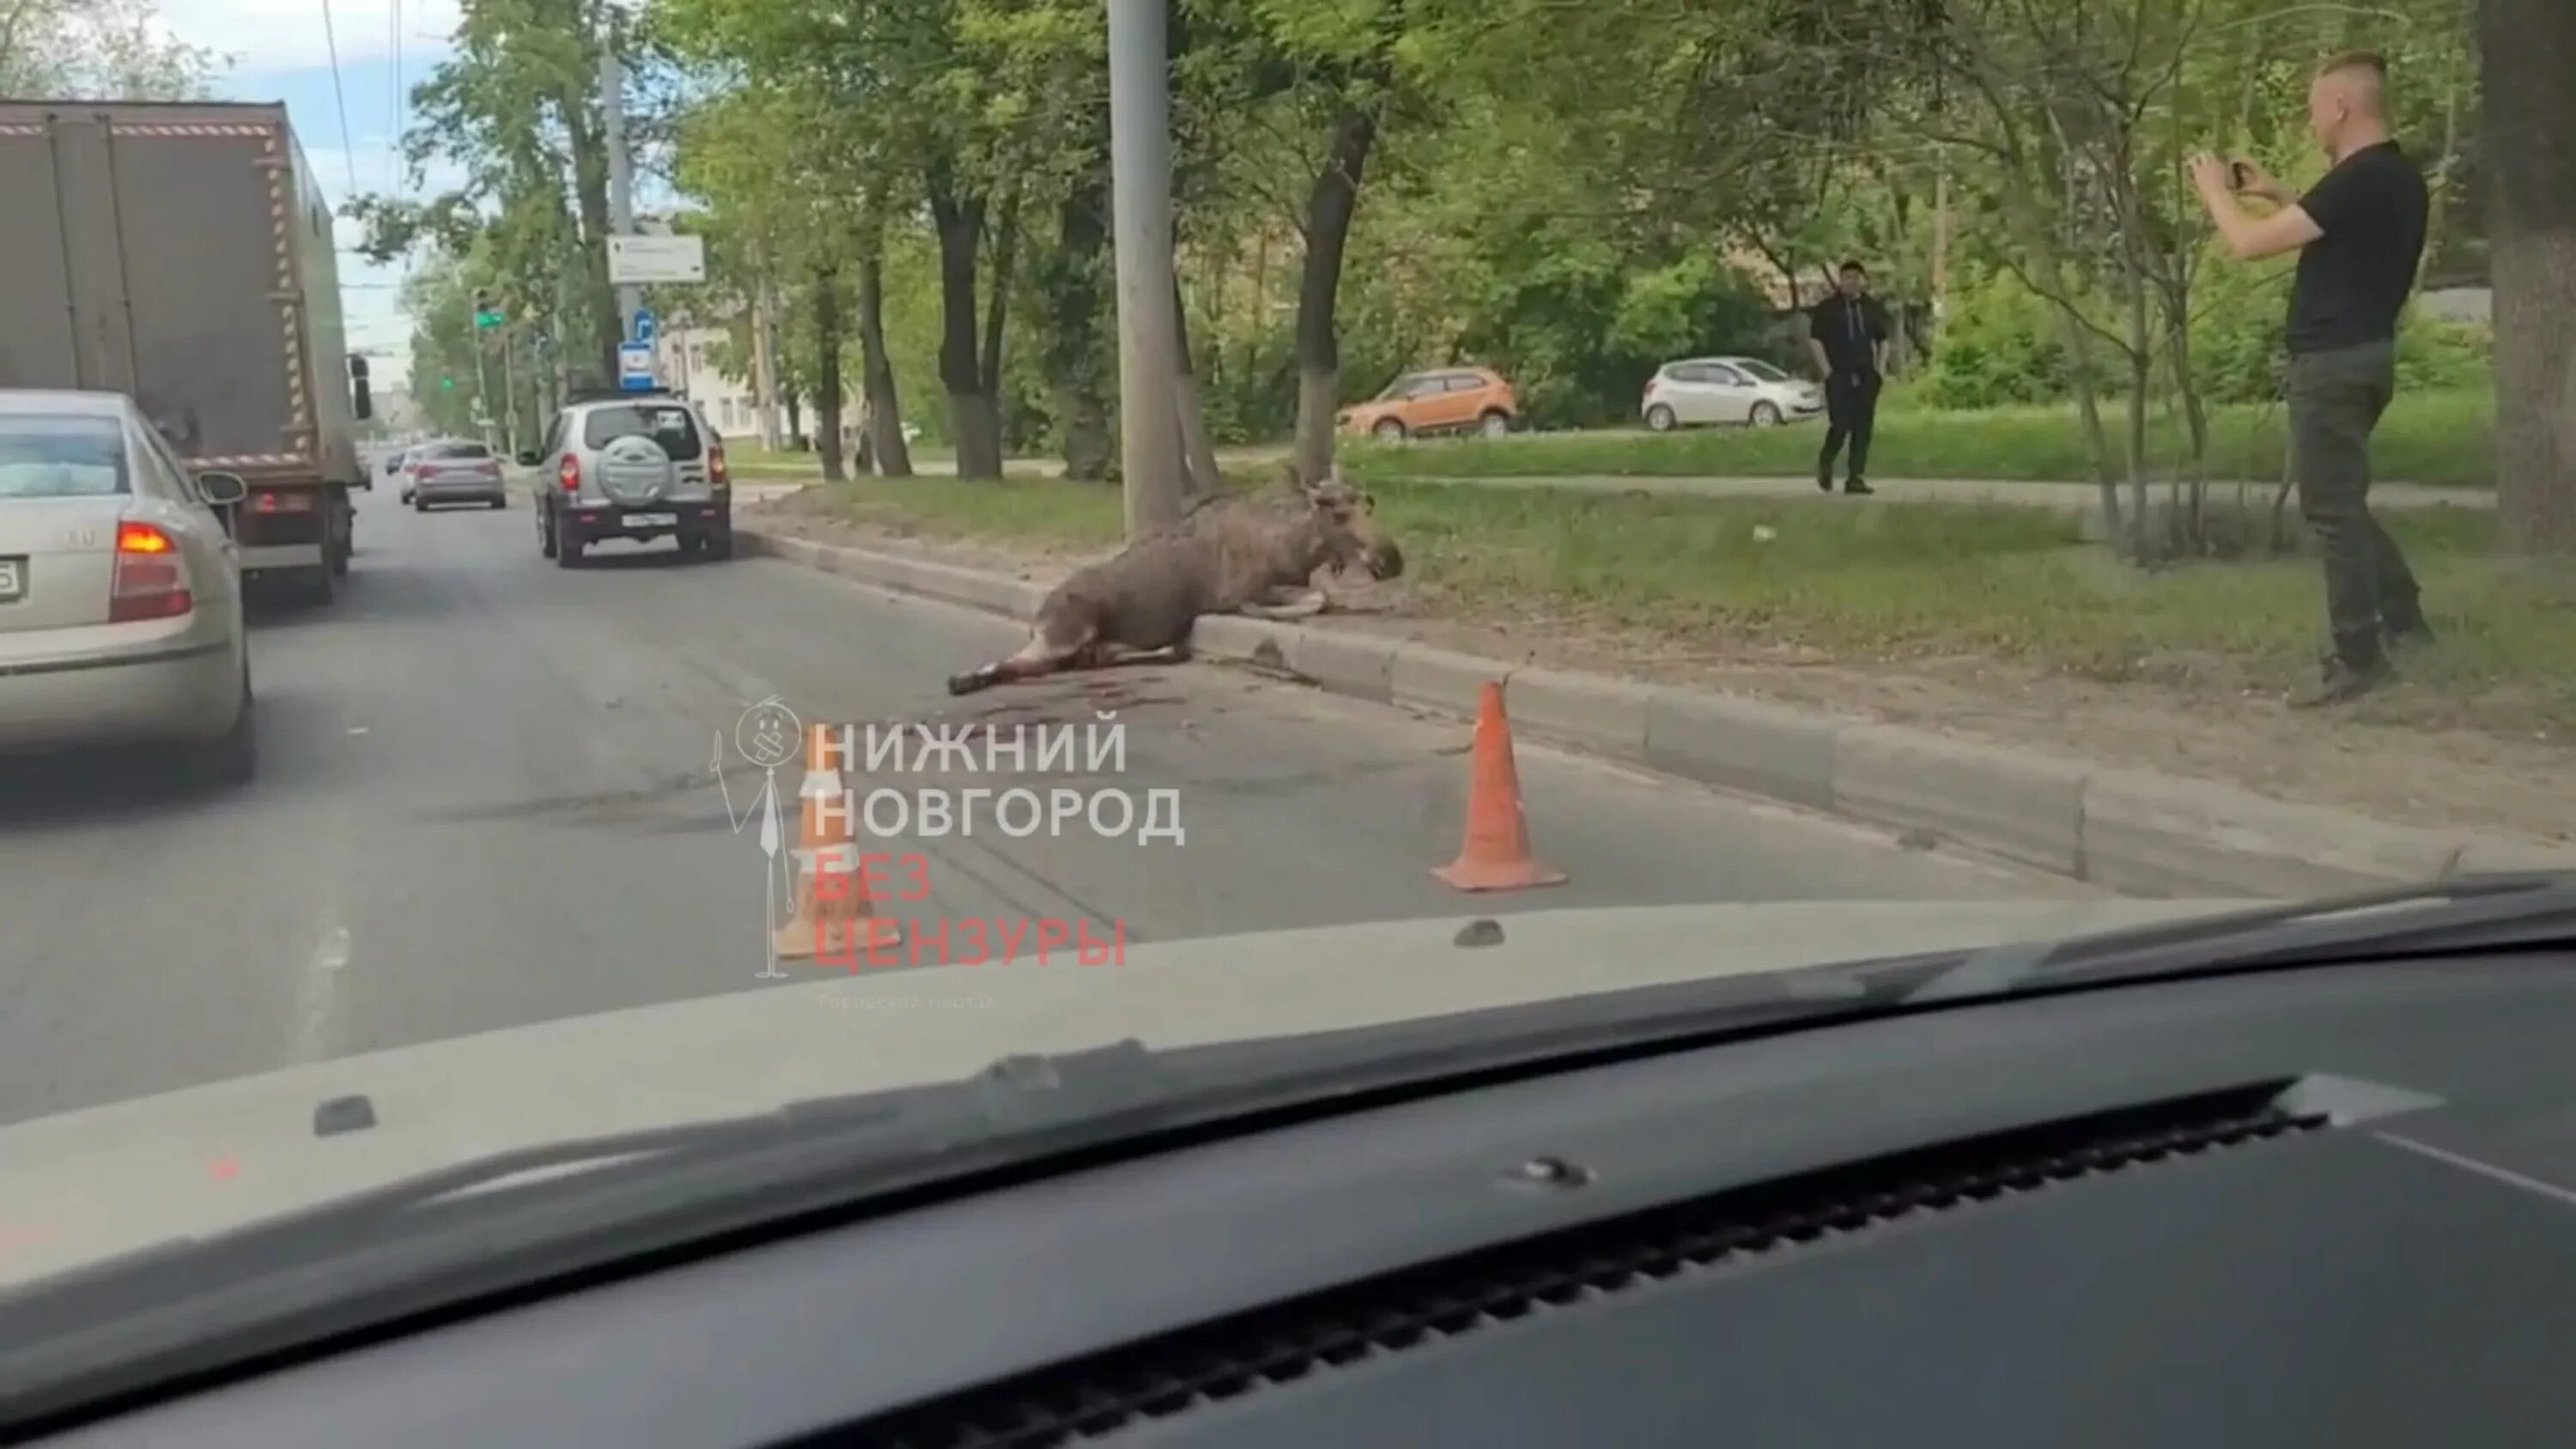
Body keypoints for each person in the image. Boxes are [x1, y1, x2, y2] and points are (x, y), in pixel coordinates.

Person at [2190, 51, 2432, 706]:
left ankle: (2360, 655)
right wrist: (2274, 193)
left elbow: (2247, 245)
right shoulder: (2395, 177)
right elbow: (2336, 234)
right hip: (2368, 356)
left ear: (2341, 107)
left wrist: (2214, 191)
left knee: (2328, 510)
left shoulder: (2358, 179)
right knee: (2342, 498)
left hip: (2332, 362)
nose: (2311, 122)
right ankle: (2405, 616)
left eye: (2313, 108)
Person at [1807, 260, 1891, 497]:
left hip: (1866, 374)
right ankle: (1826, 461)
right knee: (1841, 423)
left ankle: (1855, 477)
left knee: (1862, 428)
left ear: (1862, 280)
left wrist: (1879, 370)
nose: (1850, 282)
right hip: (1839, 374)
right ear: (1840, 280)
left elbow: (1883, 339)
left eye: (1855, 277)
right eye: (1846, 277)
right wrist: (1827, 371)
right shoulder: (1828, 308)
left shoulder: (1870, 308)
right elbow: (1815, 340)